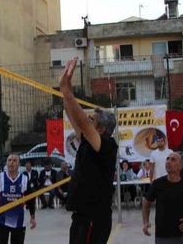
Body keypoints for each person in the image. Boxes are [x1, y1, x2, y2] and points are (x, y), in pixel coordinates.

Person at [61, 58, 118, 244]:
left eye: (92, 120)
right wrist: (66, 85)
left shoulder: (107, 145)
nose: (87, 120)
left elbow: (83, 123)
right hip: (81, 217)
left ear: (101, 128)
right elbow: (72, 114)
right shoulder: (88, 142)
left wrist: (66, 91)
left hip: (95, 217)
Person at [142, 152, 183, 244]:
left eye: (173, 160)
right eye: (167, 159)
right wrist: (145, 222)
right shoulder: (157, 184)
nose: (168, 162)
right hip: (164, 236)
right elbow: (146, 204)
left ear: (180, 166)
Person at [0, 154, 37, 244]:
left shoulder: (24, 179)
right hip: (2, 219)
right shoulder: (0, 177)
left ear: (18, 164)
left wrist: (32, 217)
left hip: (19, 219)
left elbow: (30, 199)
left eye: (14, 160)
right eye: (9, 160)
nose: (11, 163)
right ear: (6, 163)